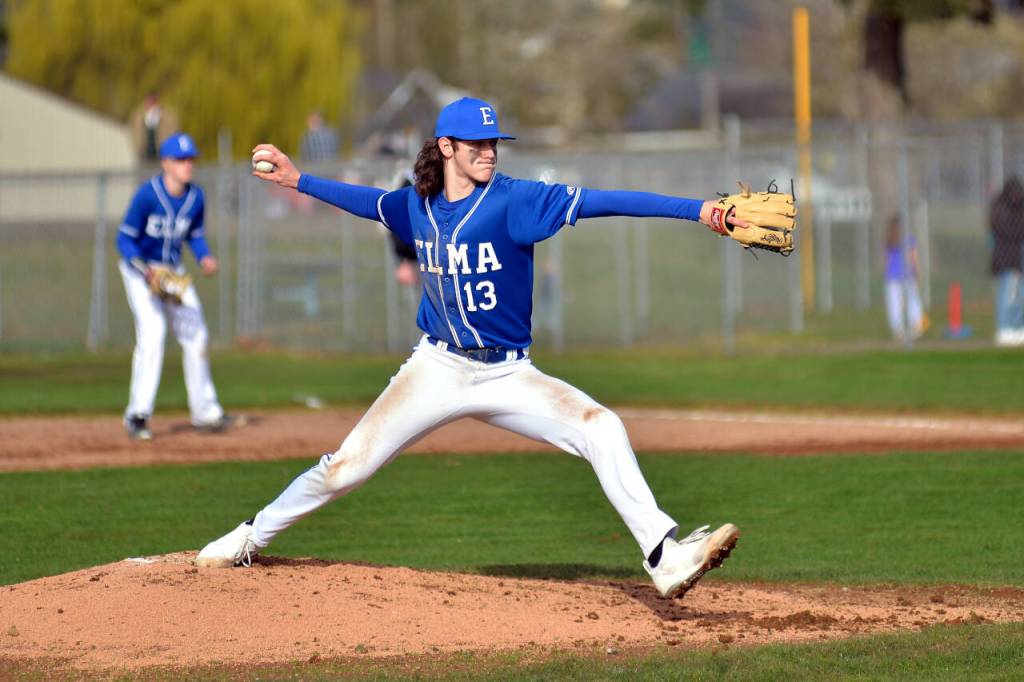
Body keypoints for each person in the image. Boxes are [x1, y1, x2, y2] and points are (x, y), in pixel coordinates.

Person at [197, 98, 745, 599]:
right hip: (436, 366)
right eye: (477, 144)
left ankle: (663, 555)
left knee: (599, 425)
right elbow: (368, 202)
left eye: (494, 143)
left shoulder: (516, 201)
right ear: (447, 149)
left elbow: (610, 201)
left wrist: (701, 211)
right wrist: (299, 181)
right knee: (346, 469)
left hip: (509, 374)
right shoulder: (418, 206)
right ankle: (251, 535)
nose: (489, 152)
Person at [116, 133, 242, 440]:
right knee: (154, 331)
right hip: (140, 270)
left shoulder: (196, 197)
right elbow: (124, 240)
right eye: (181, 160)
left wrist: (205, 257)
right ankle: (137, 415)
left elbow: (195, 235)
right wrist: (145, 271)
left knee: (197, 334)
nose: (188, 165)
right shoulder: (147, 195)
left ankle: (206, 413)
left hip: (172, 273)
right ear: (166, 163)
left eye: (191, 159)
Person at [989, 176, 1024, 347]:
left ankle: (1017, 327)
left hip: (1018, 258)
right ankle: (1005, 328)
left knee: (1018, 294)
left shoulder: (1018, 209)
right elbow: (1005, 231)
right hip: (1008, 260)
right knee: (1008, 294)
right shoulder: (1002, 210)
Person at [884, 214, 927, 342]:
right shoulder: (908, 239)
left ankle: (898, 330)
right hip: (907, 274)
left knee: (895, 304)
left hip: (892, 275)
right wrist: (917, 272)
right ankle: (917, 325)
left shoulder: (890, 239)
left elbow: (887, 260)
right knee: (913, 300)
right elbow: (912, 257)